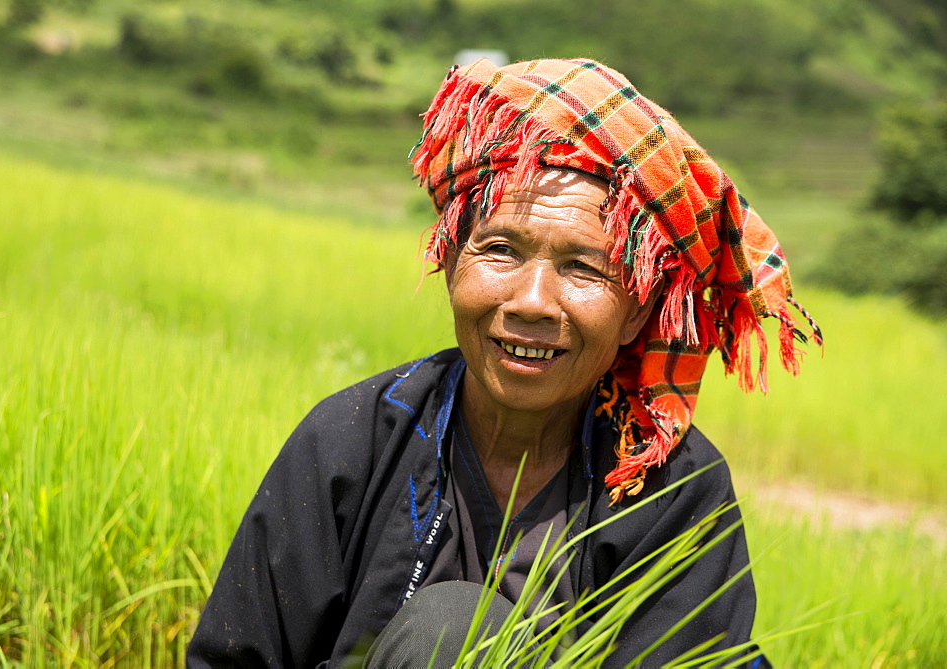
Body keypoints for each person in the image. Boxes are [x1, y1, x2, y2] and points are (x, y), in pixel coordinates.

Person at [187, 58, 821, 668]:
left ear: (635, 312)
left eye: (584, 268)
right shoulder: (352, 442)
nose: (533, 302)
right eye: (500, 250)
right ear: (451, 263)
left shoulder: (675, 492)